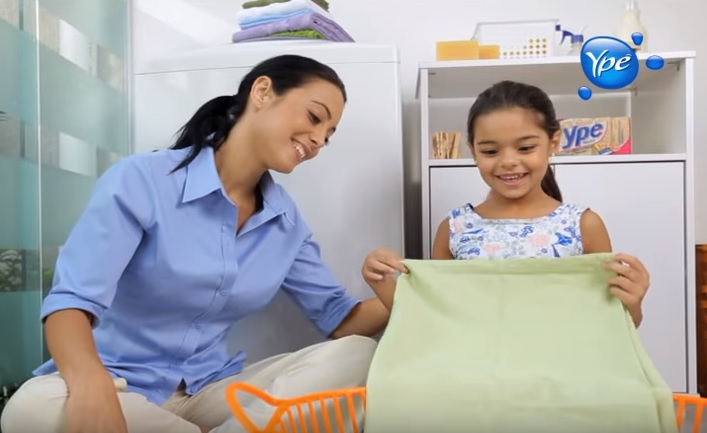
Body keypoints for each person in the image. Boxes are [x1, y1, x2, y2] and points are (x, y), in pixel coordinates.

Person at [0, 54, 390, 433]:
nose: (319, 139)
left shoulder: (286, 224)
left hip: (211, 390)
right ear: (263, 92)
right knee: (30, 410)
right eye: (315, 117)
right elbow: (72, 302)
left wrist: (405, 286)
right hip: (117, 382)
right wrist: (91, 385)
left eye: (329, 134)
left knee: (358, 354)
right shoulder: (144, 180)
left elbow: (343, 322)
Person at [363, 80, 650, 327]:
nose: (508, 161)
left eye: (526, 148)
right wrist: (382, 281)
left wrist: (633, 302)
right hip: (478, 378)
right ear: (473, 150)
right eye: (490, 150)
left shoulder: (582, 225)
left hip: (559, 378)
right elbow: (435, 319)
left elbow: (613, 324)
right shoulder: (455, 229)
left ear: (554, 142)